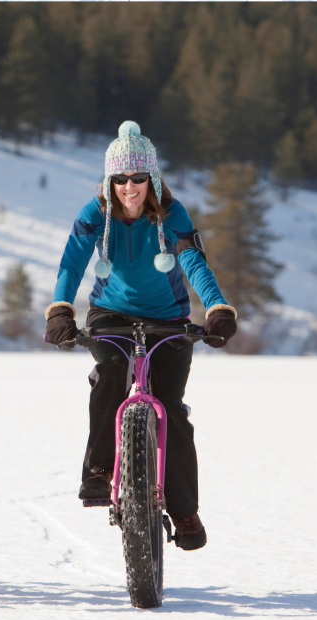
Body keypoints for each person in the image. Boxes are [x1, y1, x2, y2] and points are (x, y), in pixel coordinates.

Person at [44, 121, 237, 552]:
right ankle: (97, 471)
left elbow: (194, 264)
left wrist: (218, 307)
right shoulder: (94, 212)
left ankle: (184, 509)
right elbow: (71, 263)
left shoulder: (173, 214)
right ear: (109, 181)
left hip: (169, 319)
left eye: (137, 178)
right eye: (120, 179)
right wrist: (60, 308)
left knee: (171, 408)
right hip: (110, 313)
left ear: (152, 179)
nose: (129, 188)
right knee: (111, 371)